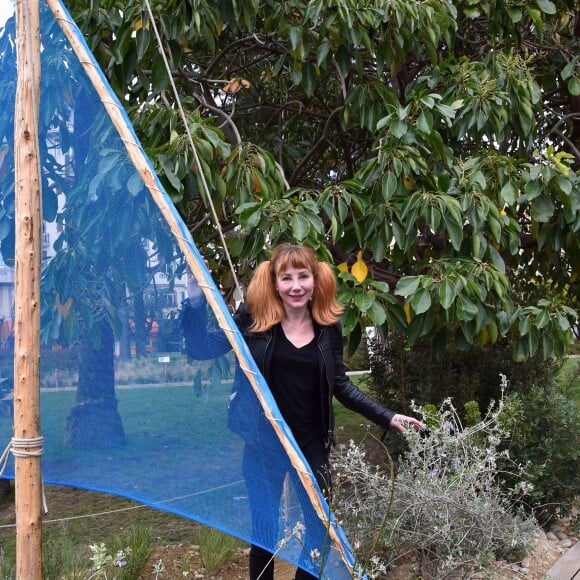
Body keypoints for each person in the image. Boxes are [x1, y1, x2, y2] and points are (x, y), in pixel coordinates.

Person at [181, 243, 421, 580]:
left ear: (314, 279)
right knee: (265, 531)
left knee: (319, 530)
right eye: (287, 278)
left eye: (303, 276)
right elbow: (201, 348)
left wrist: (387, 416)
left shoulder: (327, 327)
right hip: (264, 443)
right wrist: (194, 293)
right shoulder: (252, 319)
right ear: (275, 282)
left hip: (311, 443)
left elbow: (341, 385)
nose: (296, 286)